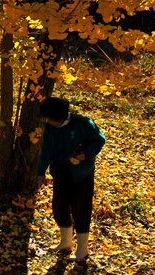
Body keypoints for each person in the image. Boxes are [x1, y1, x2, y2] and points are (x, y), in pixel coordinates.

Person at [36, 97, 105, 262]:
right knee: (59, 207)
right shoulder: (49, 128)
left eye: (50, 118)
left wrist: (86, 154)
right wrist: (40, 172)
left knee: (80, 209)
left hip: (82, 173)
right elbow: (45, 150)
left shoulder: (83, 123)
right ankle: (65, 242)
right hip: (60, 172)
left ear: (60, 116)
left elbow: (99, 139)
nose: (47, 121)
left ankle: (82, 249)